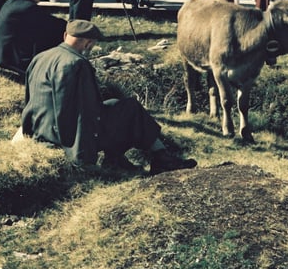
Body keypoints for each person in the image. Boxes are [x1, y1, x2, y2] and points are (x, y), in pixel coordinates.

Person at [20, 19, 197, 174]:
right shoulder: (77, 64)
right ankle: (162, 158)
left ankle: (116, 159)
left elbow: (30, 100)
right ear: (88, 43)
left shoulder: (41, 57)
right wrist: (82, 157)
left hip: (41, 129)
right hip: (62, 135)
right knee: (131, 108)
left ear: (66, 35)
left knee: (114, 105)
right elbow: (85, 112)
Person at [0, 0, 67, 74]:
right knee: (54, 34)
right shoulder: (27, 8)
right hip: (9, 58)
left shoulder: (14, 0)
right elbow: (54, 24)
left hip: (0, 52)